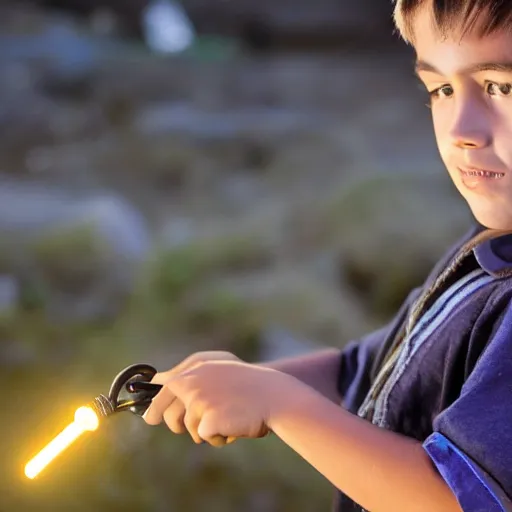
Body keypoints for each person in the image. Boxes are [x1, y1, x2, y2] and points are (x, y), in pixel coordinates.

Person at [143, 1, 512, 510]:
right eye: (442, 89)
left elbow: (459, 501)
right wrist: (247, 384)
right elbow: (366, 372)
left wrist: (280, 404)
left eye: (501, 86)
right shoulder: (489, 251)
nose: (459, 129)